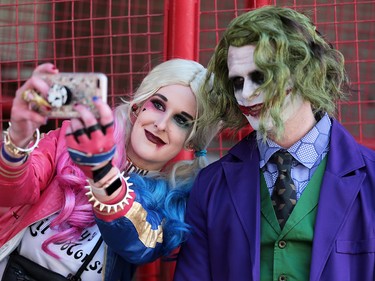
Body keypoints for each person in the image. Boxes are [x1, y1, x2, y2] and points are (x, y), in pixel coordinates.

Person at [174, 5, 375, 281]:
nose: (246, 94)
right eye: (237, 82)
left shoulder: (373, 179)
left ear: (303, 71)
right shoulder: (211, 185)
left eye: (261, 76)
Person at [0, 58, 219, 281]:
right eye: (158, 105)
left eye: (181, 120)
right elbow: (10, 192)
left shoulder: (175, 201)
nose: (161, 124)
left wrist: (101, 172)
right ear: (138, 105)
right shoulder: (72, 139)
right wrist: (17, 140)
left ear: (192, 141)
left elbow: (137, 246)